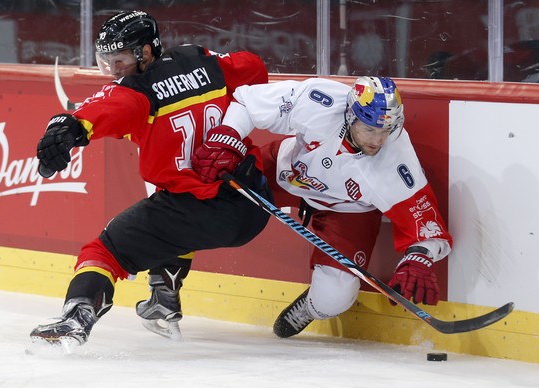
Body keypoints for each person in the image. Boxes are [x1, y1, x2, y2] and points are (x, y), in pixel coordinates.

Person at [30, 10, 271, 346]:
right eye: (107, 60)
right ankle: (163, 298)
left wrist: (66, 128)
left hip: (200, 210)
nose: (113, 69)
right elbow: (256, 69)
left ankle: (76, 318)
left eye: (120, 58)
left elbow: (97, 113)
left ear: (145, 52)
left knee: (105, 249)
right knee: (170, 210)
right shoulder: (201, 58)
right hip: (253, 202)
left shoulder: (135, 92)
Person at [190, 75, 453, 338]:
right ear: (350, 116)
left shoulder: (396, 160)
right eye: (370, 129)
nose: (378, 140)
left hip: (348, 209)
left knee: (333, 299)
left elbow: (426, 224)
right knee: (206, 193)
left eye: (386, 130)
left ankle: (309, 308)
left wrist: (419, 257)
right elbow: (247, 102)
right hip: (287, 174)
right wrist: (228, 135)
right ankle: (167, 266)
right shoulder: (321, 100)